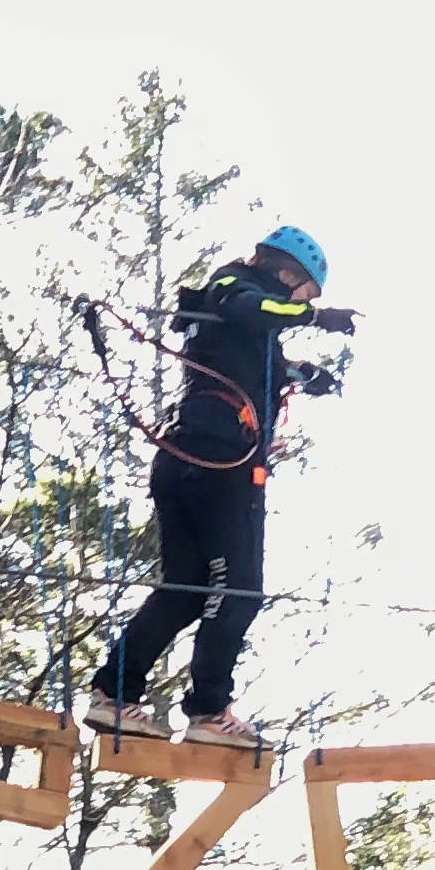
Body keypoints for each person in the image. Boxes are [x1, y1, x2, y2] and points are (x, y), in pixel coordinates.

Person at [90, 224, 351, 748]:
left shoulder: (234, 316)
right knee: (239, 590)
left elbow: (262, 360)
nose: (301, 301)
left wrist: (306, 375)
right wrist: (317, 318)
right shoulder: (233, 287)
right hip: (221, 462)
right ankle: (209, 711)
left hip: (188, 457)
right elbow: (253, 311)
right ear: (286, 274)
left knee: (185, 590)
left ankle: (113, 695)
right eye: (302, 290)